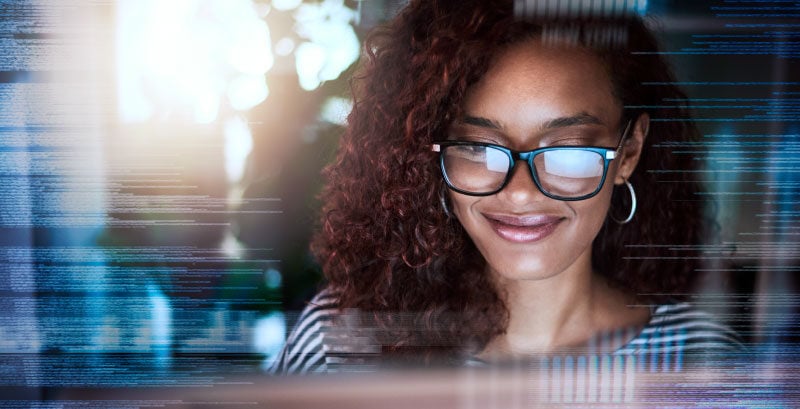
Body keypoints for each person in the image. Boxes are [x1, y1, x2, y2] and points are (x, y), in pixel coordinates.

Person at [269, 0, 743, 375]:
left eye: (567, 148)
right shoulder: (341, 343)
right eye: (477, 148)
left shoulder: (703, 359)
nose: (518, 193)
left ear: (629, 152)